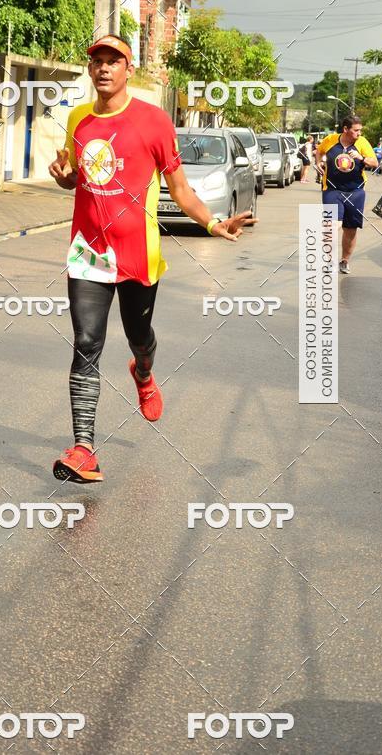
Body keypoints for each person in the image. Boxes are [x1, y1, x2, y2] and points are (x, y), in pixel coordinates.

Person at [48, 34, 257, 483]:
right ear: (90, 70)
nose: (103, 68)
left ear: (128, 68)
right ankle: (84, 448)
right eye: (97, 61)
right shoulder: (78, 119)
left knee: (139, 336)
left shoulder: (154, 121)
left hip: (139, 256)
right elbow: (77, 179)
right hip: (88, 252)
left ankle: (143, 372)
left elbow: (179, 188)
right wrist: (65, 178)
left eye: (113, 61)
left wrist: (212, 223)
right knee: (86, 343)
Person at [315, 115, 378, 275]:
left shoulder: (362, 143)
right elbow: (319, 151)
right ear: (345, 129)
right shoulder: (330, 140)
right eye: (356, 130)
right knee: (331, 225)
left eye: (360, 130)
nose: (359, 133)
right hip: (332, 189)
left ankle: (344, 261)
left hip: (355, 191)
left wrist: (362, 158)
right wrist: (317, 163)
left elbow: (375, 163)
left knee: (350, 229)